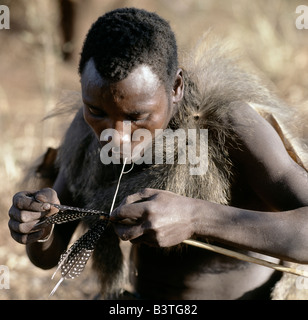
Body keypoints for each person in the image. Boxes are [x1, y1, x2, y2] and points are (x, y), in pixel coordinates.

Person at [8, 7, 308, 300]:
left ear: (175, 88)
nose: (116, 136)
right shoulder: (85, 132)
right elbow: (49, 255)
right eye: (96, 111)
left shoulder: (229, 125)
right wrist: (41, 228)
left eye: (137, 116)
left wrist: (196, 217)